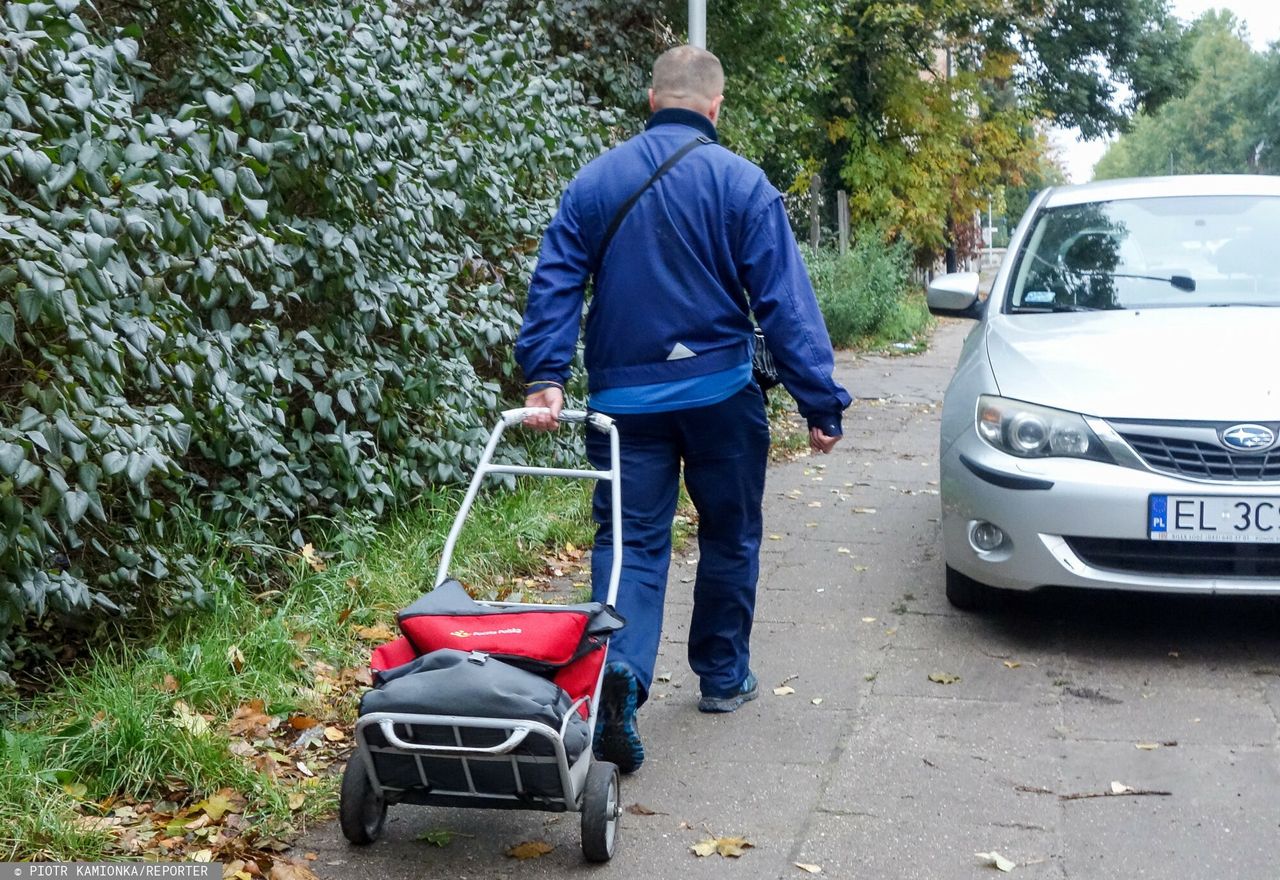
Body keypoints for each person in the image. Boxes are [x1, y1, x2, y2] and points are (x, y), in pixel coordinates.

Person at [514, 45, 850, 773]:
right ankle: (724, 678)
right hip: (721, 396)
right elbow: (784, 303)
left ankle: (619, 679)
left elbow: (556, 278)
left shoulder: (596, 181)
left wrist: (545, 375)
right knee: (730, 533)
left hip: (621, 404)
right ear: (715, 106)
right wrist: (819, 401)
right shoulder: (741, 183)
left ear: (650, 97)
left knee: (630, 544)